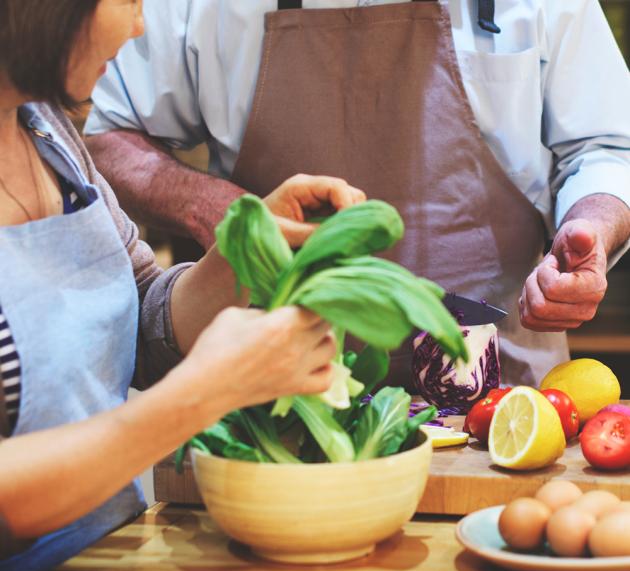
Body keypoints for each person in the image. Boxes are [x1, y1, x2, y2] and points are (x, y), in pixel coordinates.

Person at [0, 0, 367, 571]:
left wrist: (243, 249)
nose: (139, 25)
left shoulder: (47, 131)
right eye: (129, 1)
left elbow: (139, 312)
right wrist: (201, 395)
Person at [84, 0, 630, 389]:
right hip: (278, 396)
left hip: (502, 403)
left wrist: (593, 228)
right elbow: (102, 134)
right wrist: (224, 215)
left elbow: (608, 146)